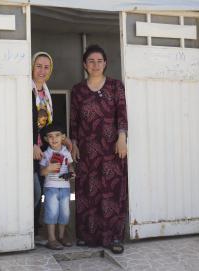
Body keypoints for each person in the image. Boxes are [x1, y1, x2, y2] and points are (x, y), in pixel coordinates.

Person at [70, 44, 128, 254]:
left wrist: (122, 137)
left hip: (112, 149)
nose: (95, 65)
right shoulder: (77, 90)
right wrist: (74, 143)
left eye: (99, 61)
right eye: (91, 61)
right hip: (86, 150)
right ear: (85, 64)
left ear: (105, 63)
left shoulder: (115, 86)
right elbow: (74, 120)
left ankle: (113, 238)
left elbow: (121, 113)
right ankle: (87, 237)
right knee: (87, 193)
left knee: (112, 193)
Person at [40, 122, 75, 250]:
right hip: (51, 187)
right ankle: (51, 239)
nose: (54, 139)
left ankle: (61, 236)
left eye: (57, 135)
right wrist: (48, 168)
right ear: (45, 139)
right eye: (50, 136)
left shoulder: (66, 152)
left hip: (65, 187)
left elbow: (70, 164)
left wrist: (71, 172)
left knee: (64, 213)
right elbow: (42, 172)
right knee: (52, 211)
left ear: (63, 137)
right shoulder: (46, 154)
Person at [32, 52, 54, 236]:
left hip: (43, 150)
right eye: (38, 66)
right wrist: (31, 144)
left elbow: (48, 123)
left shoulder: (45, 92)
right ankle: (28, 228)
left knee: (40, 188)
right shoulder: (26, 89)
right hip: (29, 149)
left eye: (46, 67)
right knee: (34, 190)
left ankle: (35, 229)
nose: (42, 70)